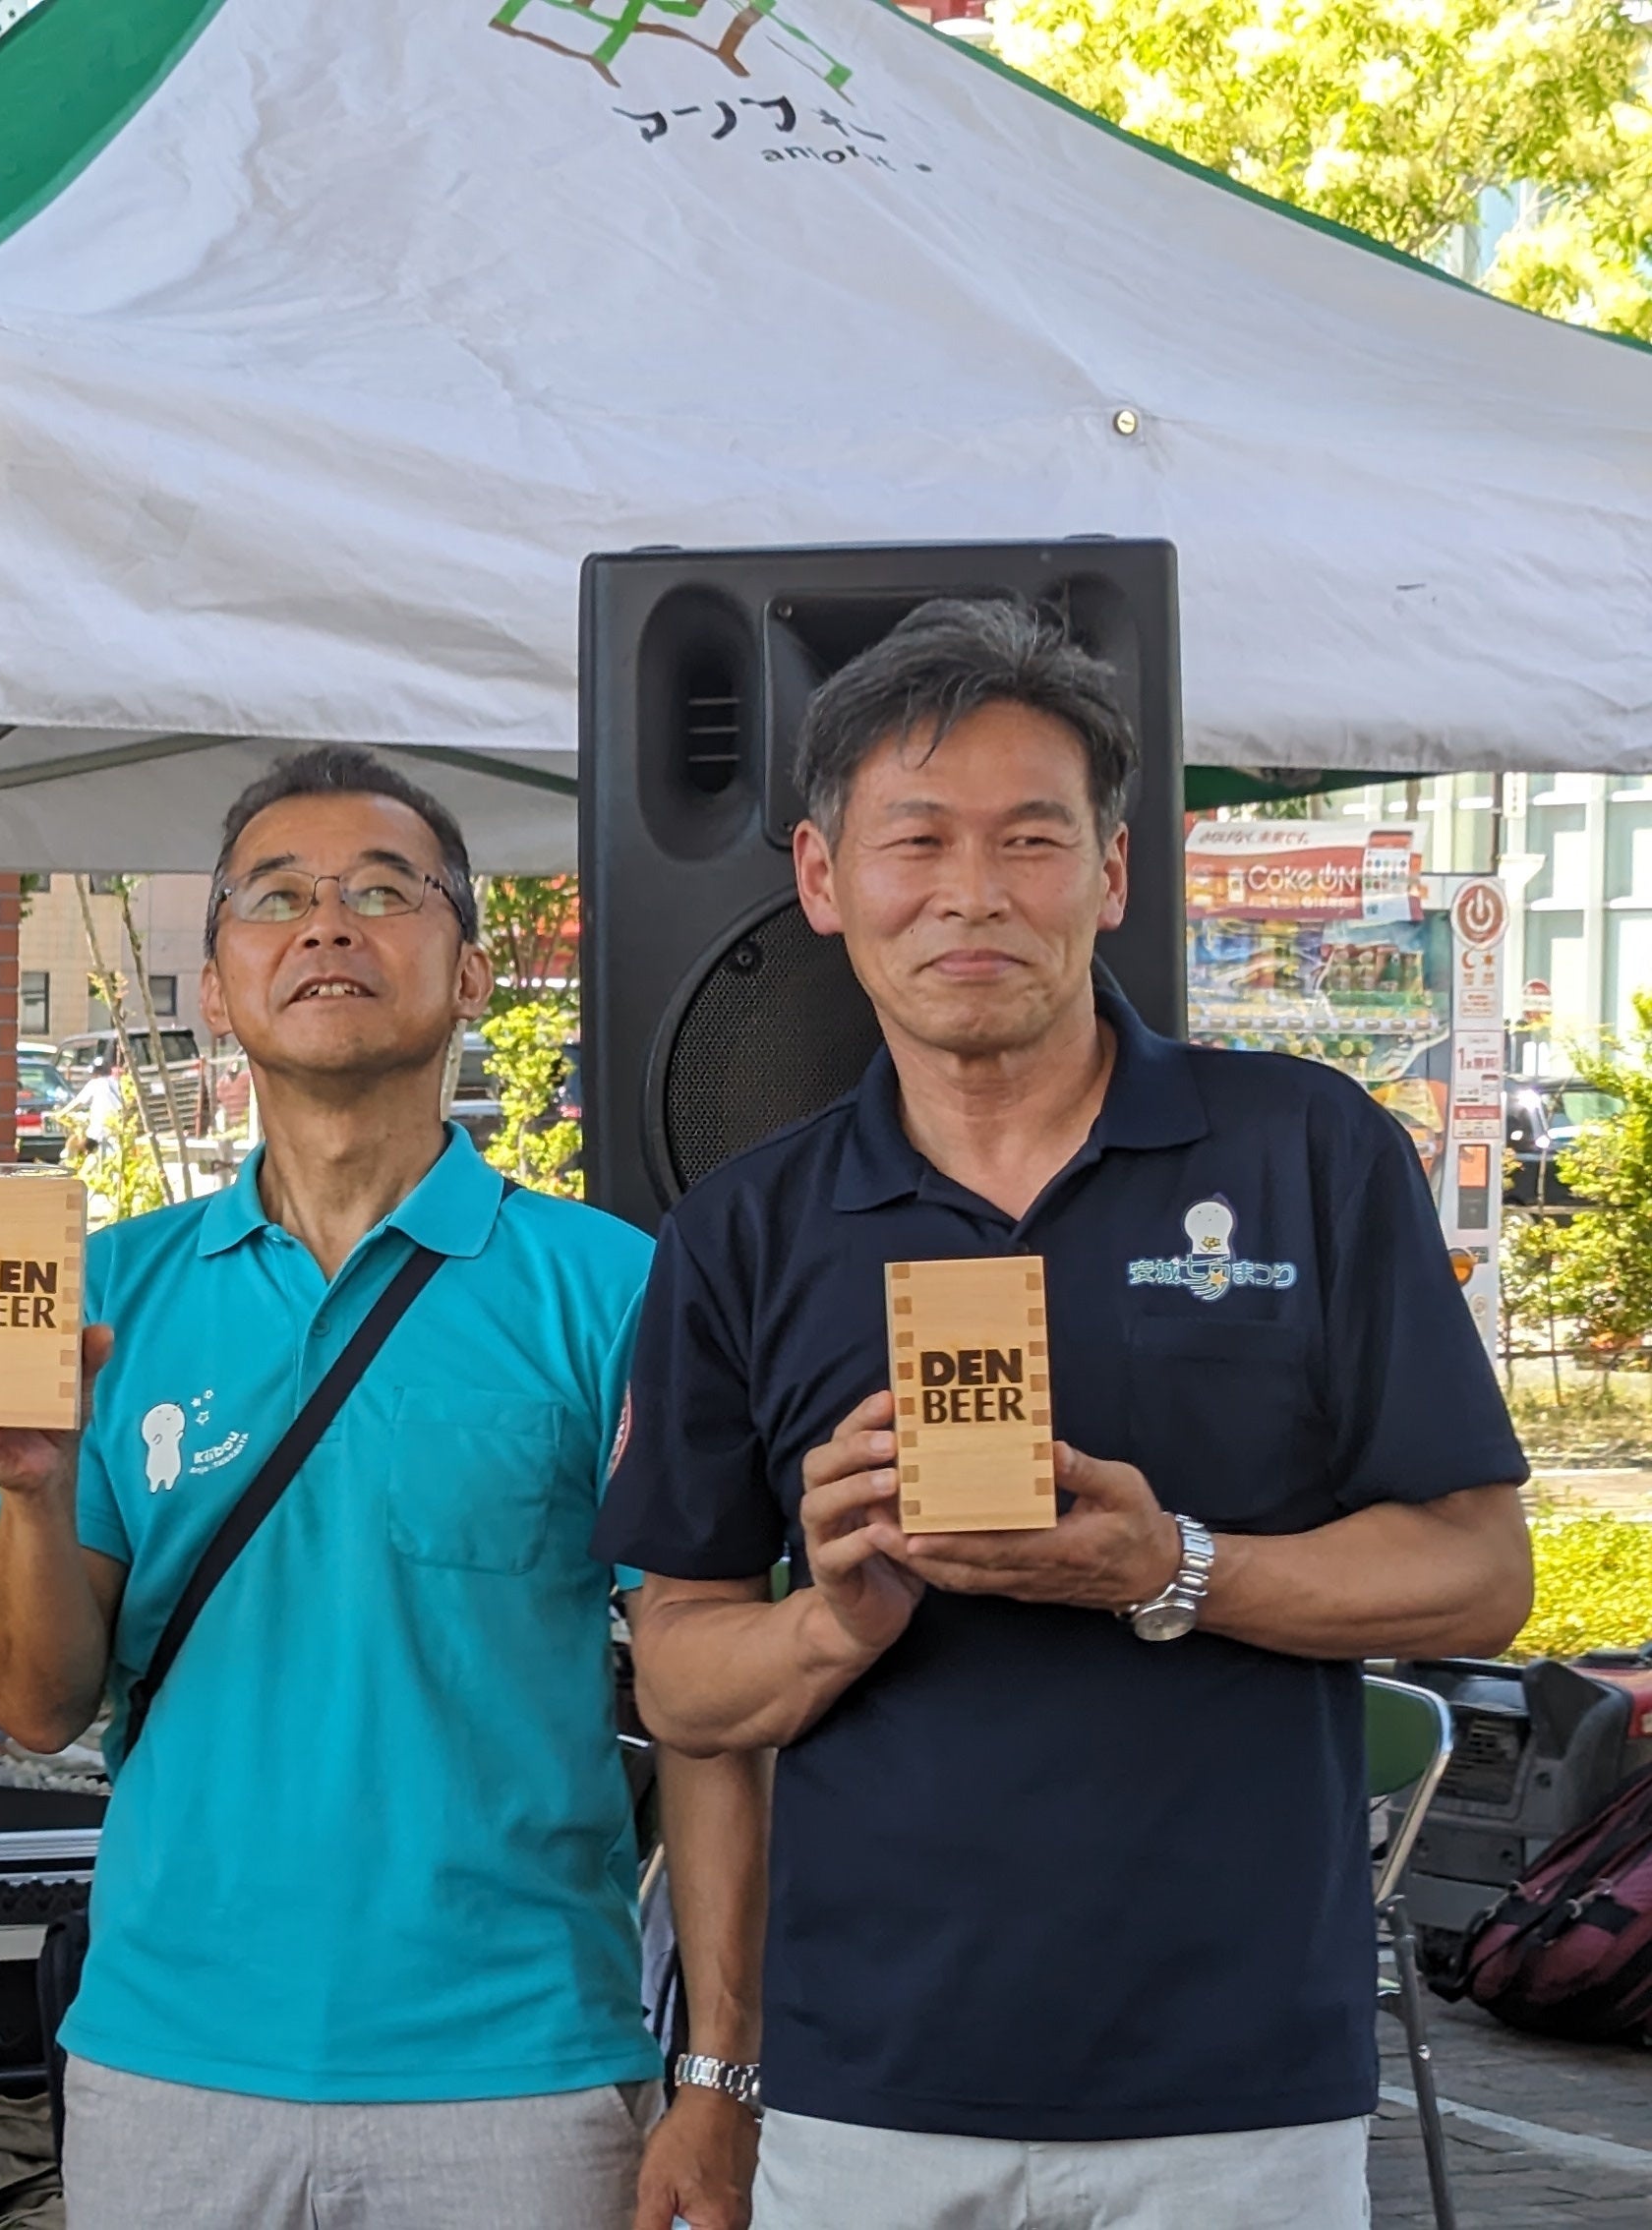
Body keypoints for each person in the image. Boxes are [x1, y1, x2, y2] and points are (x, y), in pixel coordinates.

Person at [598, 600, 1533, 2230]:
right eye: (915, 840)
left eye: (1029, 838)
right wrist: (831, 1621)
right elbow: (682, 1675)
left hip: (1234, 2098)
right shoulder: (741, 1228)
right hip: (862, 2095)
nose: (972, 890)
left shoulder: (1308, 1153)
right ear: (821, 879)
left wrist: (1173, 1568)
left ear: (1110, 873)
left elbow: (1479, 1572)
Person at [0, 747, 768, 2230]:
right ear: (215, 987)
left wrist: (718, 2071)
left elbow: (710, 1712)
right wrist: (38, 1493)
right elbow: (35, 1706)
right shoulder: (106, 1294)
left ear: (471, 974)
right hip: (167, 2067)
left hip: (523, 2075)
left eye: (385, 891)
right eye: (276, 897)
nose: (327, 923)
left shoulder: (615, 1290)